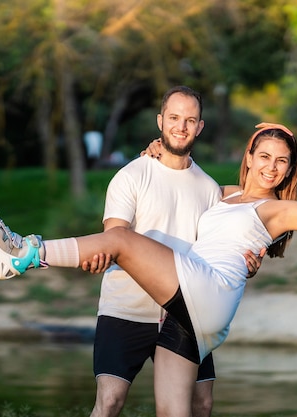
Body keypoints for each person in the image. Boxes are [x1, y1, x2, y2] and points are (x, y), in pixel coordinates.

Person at [0, 122, 297, 417]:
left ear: (289, 170)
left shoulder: (279, 210)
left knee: (123, 241)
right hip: (195, 316)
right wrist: (155, 152)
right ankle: (18, 254)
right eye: (265, 156)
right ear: (250, 157)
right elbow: (184, 180)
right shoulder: (222, 194)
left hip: (208, 293)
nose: (272, 168)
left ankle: (22, 255)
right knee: (177, 412)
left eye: (282, 162)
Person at [84, 86, 263, 417]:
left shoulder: (209, 189)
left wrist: (245, 264)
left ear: (200, 127)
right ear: (160, 121)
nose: (181, 127)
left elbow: (218, 246)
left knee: (202, 404)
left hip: (185, 315)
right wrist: (100, 253)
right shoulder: (131, 175)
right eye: (174, 118)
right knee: (109, 402)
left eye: (190, 120)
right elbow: (114, 234)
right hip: (127, 309)